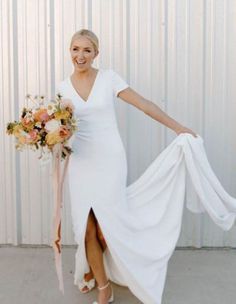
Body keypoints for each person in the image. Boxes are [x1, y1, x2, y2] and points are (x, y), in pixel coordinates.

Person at [57, 29, 236, 304]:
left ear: (96, 54)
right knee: (86, 227)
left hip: (109, 161)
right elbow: (61, 129)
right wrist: (51, 141)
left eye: (86, 50)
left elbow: (144, 105)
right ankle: (103, 286)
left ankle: (108, 268)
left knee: (107, 226)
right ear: (69, 51)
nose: (80, 55)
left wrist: (178, 128)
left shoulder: (109, 79)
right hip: (81, 163)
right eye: (75, 49)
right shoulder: (62, 87)